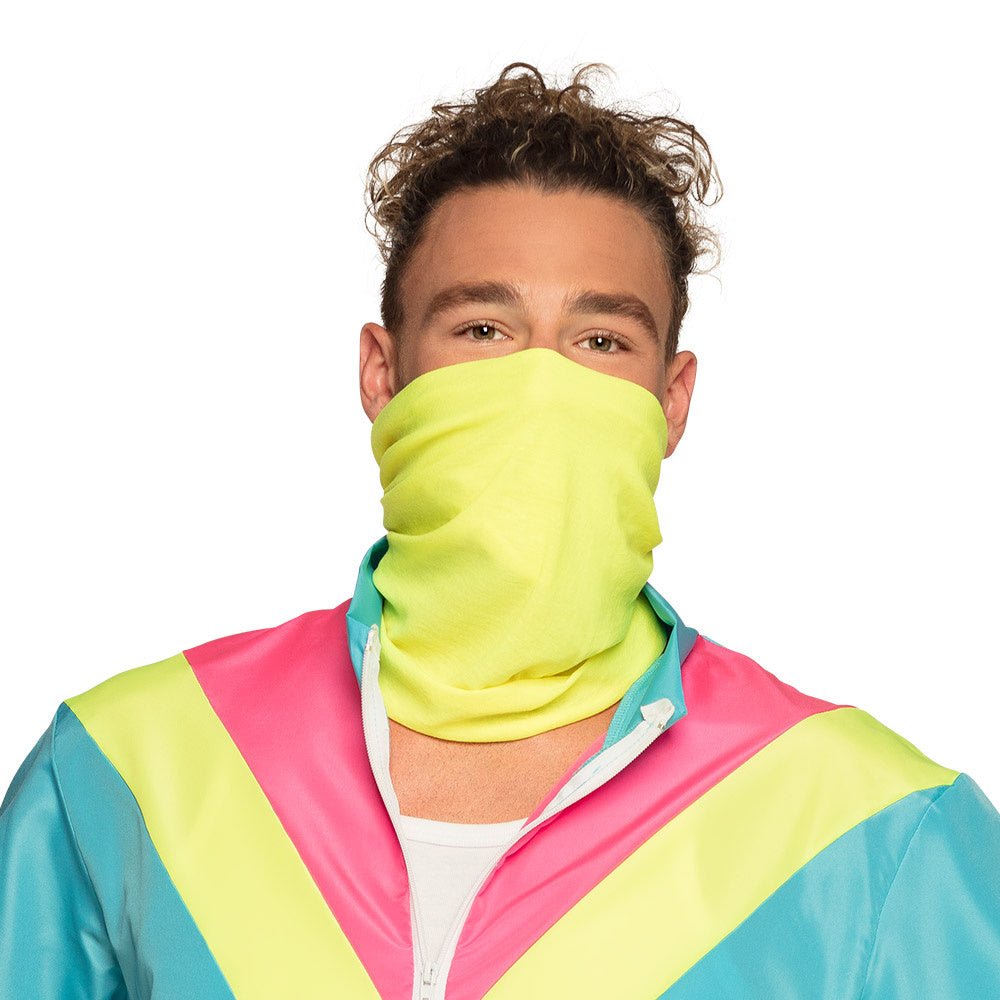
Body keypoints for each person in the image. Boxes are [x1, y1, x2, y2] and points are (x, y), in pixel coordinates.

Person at [2, 60, 998, 1000]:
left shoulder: (877, 829)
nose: (540, 384)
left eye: (600, 339)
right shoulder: (126, 768)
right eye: (483, 329)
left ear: (672, 400)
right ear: (382, 372)